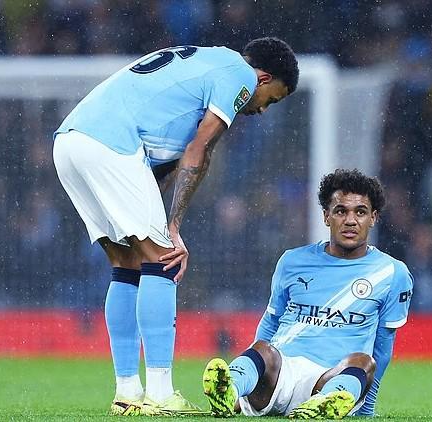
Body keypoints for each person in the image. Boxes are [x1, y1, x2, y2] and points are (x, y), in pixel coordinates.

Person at [52, 38, 299, 416]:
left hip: (70, 141)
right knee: (163, 259)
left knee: (126, 264)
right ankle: (161, 392)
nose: (262, 109)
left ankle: (127, 393)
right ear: (264, 78)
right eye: (272, 99)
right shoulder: (240, 76)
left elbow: (163, 166)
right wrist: (174, 227)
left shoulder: (204, 64)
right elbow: (200, 151)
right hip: (111, 144)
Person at [203, 169, 413, 419]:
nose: (350, 220)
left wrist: (366, 408)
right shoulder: (292, 261)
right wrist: (252, 381)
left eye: (360, 212)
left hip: (332, 378)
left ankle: (322, 404)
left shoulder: (393, 273)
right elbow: (271, 322)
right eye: (340, 211)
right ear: (326, 216)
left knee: (363, 362)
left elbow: (383, 346)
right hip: (280, 376)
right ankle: (230, 391)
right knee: (263, 349)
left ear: (373, 218)